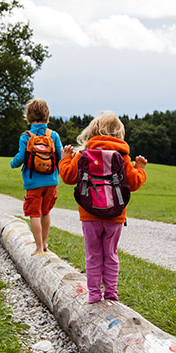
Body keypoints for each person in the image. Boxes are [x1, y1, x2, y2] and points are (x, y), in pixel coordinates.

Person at [59, 111, 147, 303]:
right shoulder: (122, 157)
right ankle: (111, 294)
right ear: (119, 134)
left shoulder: (83, 154)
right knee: (111, 255)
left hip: (89, 215)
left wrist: (65, 158)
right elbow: (133, 183)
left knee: (93, 255)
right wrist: (140, 168)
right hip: (115, 216)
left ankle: (93, 295)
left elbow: (67, 177)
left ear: (93, 131)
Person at [11, 98, 62, 256]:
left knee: (35, 214)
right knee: (46, 212)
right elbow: (60, 157)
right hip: (51, 182)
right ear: (47, 115)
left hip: (33, 183)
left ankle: (38, 248)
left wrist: (13, 163)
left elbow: (21, 157)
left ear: (28, 116)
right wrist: (55, 174)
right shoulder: (53, 135)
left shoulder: (26, 136)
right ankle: (45, 243)